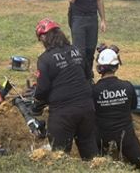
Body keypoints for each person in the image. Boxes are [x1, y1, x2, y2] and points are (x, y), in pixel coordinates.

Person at [32, 18, 98, 159]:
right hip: (87, 108)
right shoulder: (77, 51)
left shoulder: (45, 59)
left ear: (43, 37)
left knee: (60, 155)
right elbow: (88, 75)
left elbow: (42, 89)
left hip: (63, 113)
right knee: (90, 152)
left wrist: (36, 105)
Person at [92, 45, 140, 172]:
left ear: (99, 68)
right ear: (116, 66)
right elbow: (133, 106)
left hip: (102, 134)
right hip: (125, 134)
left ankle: (101, 161)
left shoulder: (94, 90)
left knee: (94, 155)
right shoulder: (127, 86)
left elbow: (92, 112)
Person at [64, 0, 106, 80]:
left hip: (92, 18)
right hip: (78, 18)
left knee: (90, 50)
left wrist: (103, 19)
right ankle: (79, 78)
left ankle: (88, 76)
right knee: (79, 52)